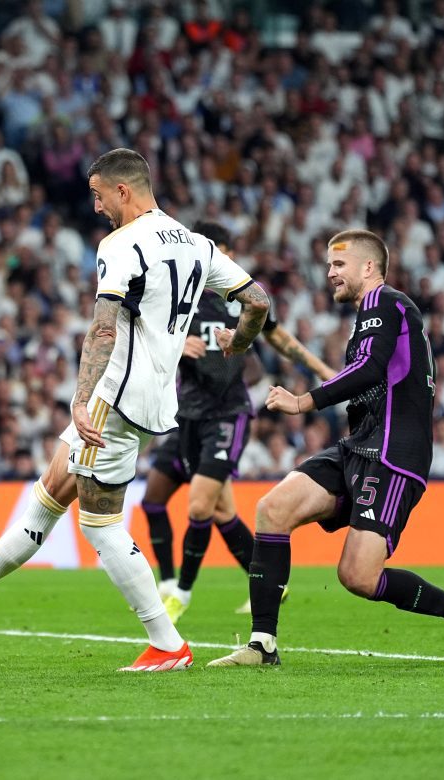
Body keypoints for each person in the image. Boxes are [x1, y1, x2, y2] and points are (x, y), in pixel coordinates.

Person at [0, 148, 271, 671]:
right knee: (51, 492)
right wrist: (239, 343)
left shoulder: (122, 245)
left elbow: (103, 325)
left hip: (115, 396)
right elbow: (259, 300)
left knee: (100, 523)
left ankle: (168, 643)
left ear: (123, 191)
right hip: (154, 395)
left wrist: (82, 399)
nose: (97, 206)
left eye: (99, 194)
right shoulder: (199, 245)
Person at [207, 229, 444, 667]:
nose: (330, 273)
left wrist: (304, 401)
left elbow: (368, 370)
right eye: (327, 265)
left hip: (393, 455)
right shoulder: (368, 318)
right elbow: (369, 375)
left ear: (369, 267)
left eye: (338, 265)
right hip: (358, 447)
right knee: (273, 508)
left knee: (358, 577)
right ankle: (262, 644)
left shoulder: (386, 302)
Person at [141, 221, 337, 622]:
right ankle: (268, 584)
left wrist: (323, 370)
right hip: (187, 417)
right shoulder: (177, 299)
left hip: (227, 415)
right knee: (211, 510)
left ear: (225, 253)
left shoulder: (243, 299)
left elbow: (280, 339)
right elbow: (145, 343)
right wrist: (176, 346)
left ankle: (179, 592)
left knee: (199, 506)